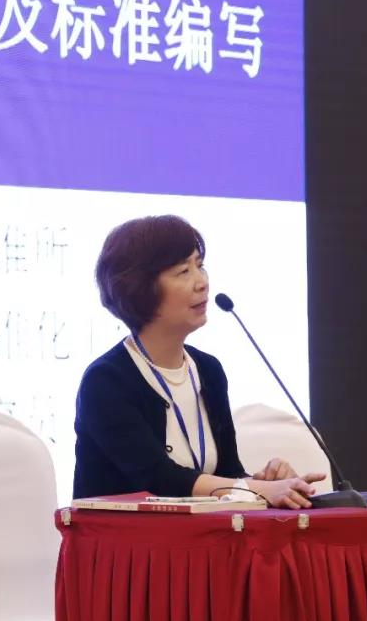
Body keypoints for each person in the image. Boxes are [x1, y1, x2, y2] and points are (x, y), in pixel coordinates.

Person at [73, 215, 325, 509]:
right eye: (183, 271)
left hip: (196, 535)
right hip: (122, 537)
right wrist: (254, 489)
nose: (202, 282)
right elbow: (158, 478)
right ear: (139, 288)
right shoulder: (106, 381)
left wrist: (268, 483)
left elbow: (227, 473)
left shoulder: (208, 370)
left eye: (200, 265)